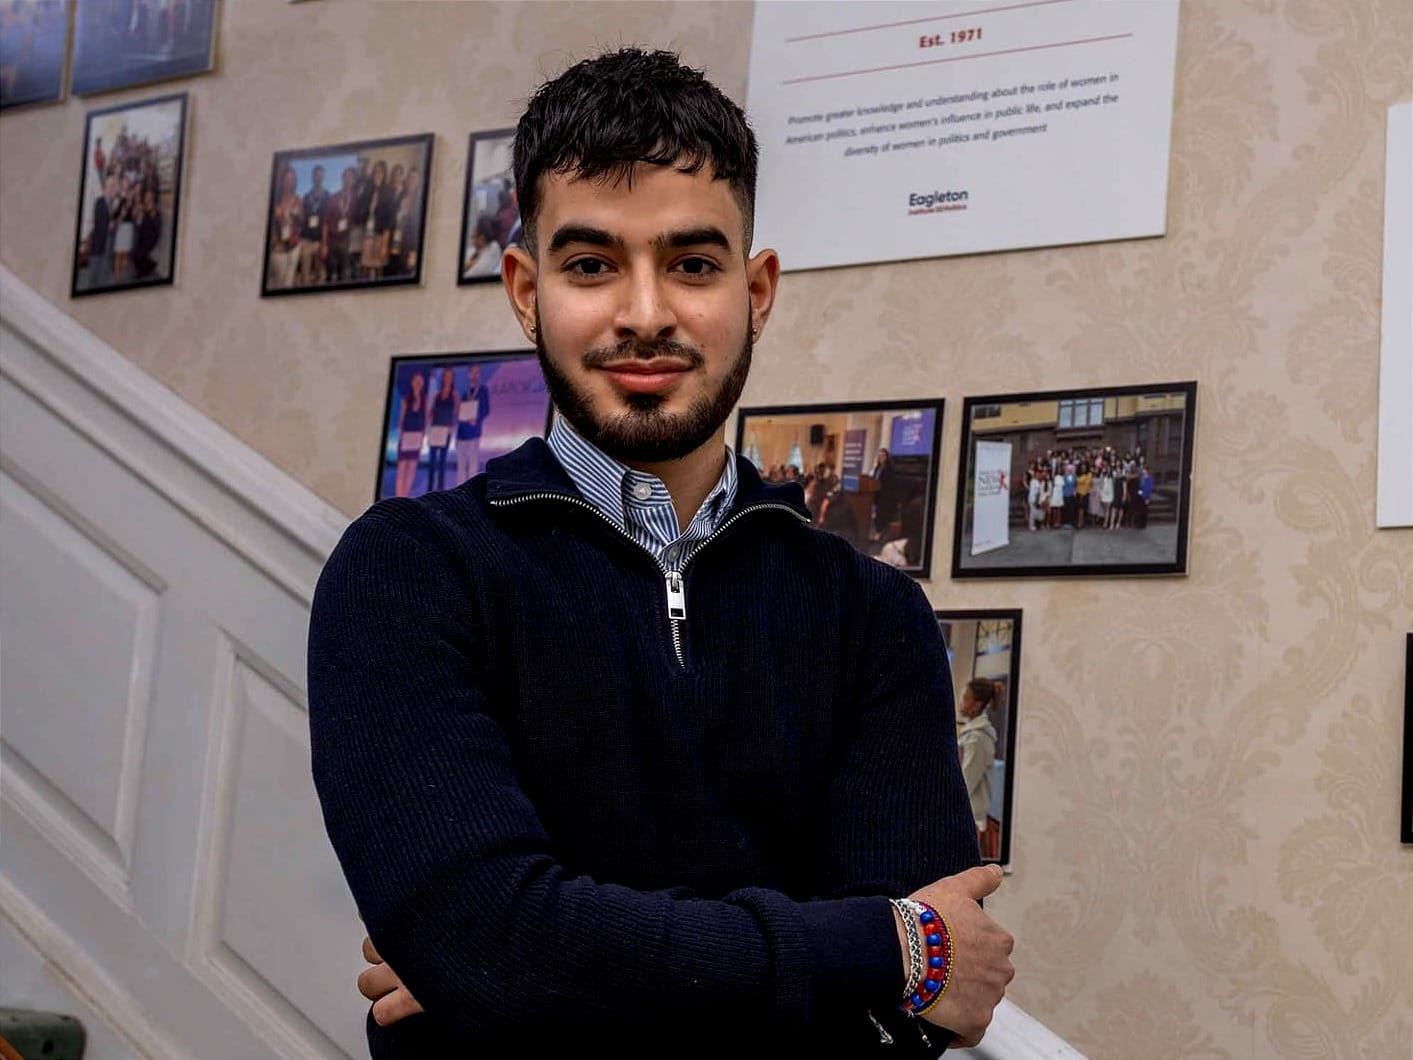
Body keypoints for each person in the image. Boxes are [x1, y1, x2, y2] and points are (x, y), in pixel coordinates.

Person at [309, 48, 1013, 1058]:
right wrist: (883, 943)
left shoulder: (872, 615)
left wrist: (542, 962)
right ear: (525, 287)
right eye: (592, 264)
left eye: (693, 263)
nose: (645, 314)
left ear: (757, 290)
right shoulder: (409, 571)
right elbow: (484, 935)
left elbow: (916, 1020)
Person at [956, 679, 998, 861]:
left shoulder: (978, 738)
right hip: (965, 817)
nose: (961, 703)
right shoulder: (971, 733)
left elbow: (965, 782)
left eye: (965, 698)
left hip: (972, 821)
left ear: (977, 704)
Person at [454, 363, 491, 486]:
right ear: (469, 374)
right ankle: (458, 496)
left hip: (474, 432)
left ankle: (470, 498)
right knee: (461, 465)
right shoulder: (463, 391)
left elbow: (486, 410)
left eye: (477, 372)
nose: (474, 375)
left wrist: (477, 419)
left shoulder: (483, 390)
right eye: (472, 372)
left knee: (472, 466)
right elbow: (457, 412)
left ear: (479, 374)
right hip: (461, 433)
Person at [425, 367, 457, 493]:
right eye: (445, 376)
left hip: (446, 431)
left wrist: (452, 426)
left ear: (453, 378)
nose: (447, 378)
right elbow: (431, 412)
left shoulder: (454, 395)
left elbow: (456, 413)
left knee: (442, 461)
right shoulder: (437, 395)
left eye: (450, 376)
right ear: (443, 378)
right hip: (435, 429)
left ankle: (440, 490)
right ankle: (429, 490)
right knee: (432, 461)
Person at [296, 164, 329, 287]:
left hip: (320, 241)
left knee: (319, 276)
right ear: (312, 177)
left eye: (321, 176)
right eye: (316, 175)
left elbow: (327, 221)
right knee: (304, 275)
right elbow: (302, 218)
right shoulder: (305, 197)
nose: (318, 178)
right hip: (306, 240)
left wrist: (325, 244)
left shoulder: (327, 196)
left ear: (324, 177)